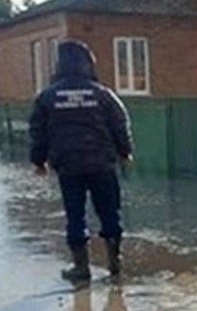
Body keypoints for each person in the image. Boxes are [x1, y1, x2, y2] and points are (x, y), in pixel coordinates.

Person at [29, 40, 134, 282]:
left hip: (68, 166)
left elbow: (38, 131)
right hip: (102, 164)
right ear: (88, 64)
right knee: (110, 213)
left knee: (75, 216)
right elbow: (120, 124)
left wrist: (38, 161)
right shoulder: (103, 94)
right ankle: (115, 264)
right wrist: (125, 152)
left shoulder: (47, 96)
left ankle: (81, 268)